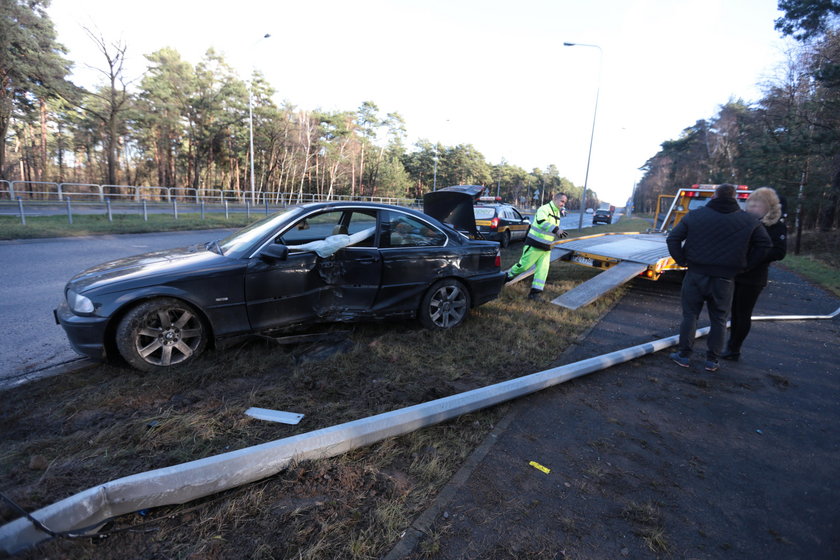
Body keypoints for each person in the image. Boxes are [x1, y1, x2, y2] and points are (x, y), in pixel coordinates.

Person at [666, 184, 772, 372]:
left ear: (714, 196)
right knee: (719, 319)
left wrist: (682, 260)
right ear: (736, 197)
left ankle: (683, 355)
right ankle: (712, 361)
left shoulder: (695, 215)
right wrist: (745, 266)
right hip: (725, 278)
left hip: (696, 275)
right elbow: (765, 245)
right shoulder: (748, 221)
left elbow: (673, 238)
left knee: (690, 316)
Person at [721, 188, 787, 361]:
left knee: (743, 313)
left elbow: (779, 252)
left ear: (768, 206)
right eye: (749, 204)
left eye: (755, 205)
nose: (751, 207)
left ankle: (734, 348)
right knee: (734, 311)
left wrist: (754, 257)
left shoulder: (776, 226)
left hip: (754, 277)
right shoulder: (744, 222)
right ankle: (731, 345)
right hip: (737, 273)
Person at [505, 192, 568, 300]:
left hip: (546, 246)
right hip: (534, 244)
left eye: (565, 202)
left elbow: (551, 228)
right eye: (562, 201)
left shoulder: (557, 212)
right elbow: (541, 222)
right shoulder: (544, 209)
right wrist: (556, 230)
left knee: (543, 270)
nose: (563, 204)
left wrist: (557, 232)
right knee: (524, 266)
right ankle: (504, 277)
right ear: (555, 199)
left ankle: (535, 294)